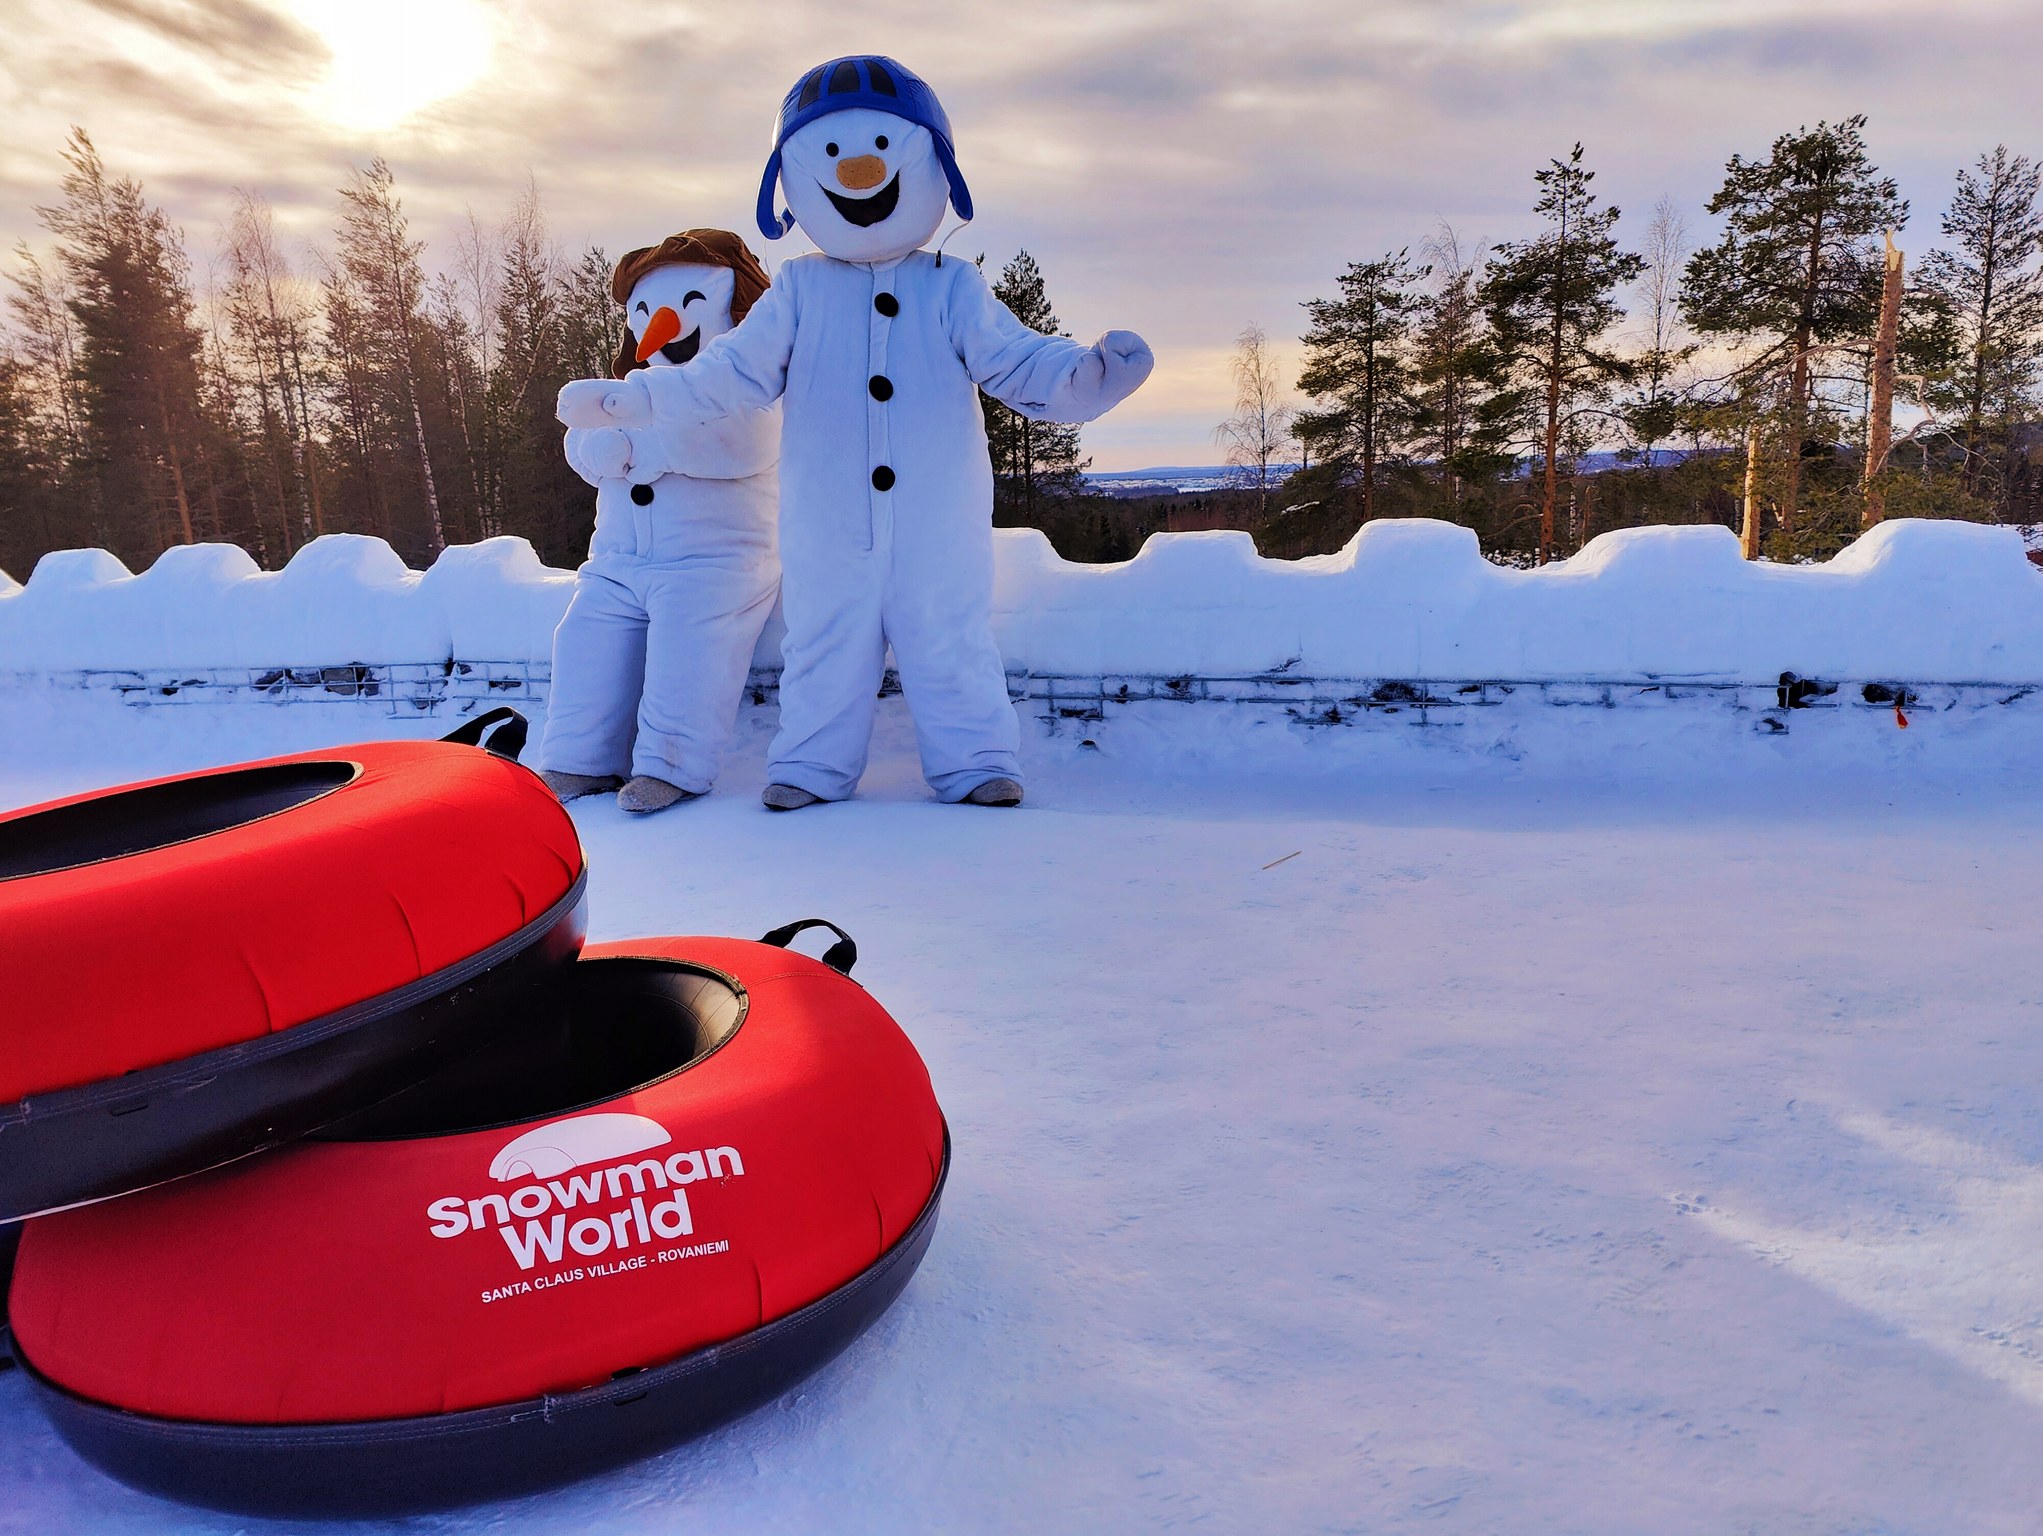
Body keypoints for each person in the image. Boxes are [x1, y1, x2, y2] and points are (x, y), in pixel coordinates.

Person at [559, 56, 1152, 811]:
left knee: (949, 637)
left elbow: (1017, 360)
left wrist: (1086, 377)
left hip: (937, 522)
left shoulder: (951, 286)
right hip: (826, 524)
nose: (859, 169)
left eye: (879, 146)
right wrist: (639, 397)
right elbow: (730, 373)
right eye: (833, 153)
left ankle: (975, 762)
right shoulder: (798, 290)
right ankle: (811, 765)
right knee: (823, 641)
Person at [536, 231, 780, 814]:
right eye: (643, 311)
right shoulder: (630, 390)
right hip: (618, 563)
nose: (662, 324)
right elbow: (582, 439)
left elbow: (745, 444)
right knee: (584, 640)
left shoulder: (754, 391)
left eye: (690, 303)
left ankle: (673, 765)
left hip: (714, 564)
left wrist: (640, 449)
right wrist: (596, 448)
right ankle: (580, 760)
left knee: (688, 648)